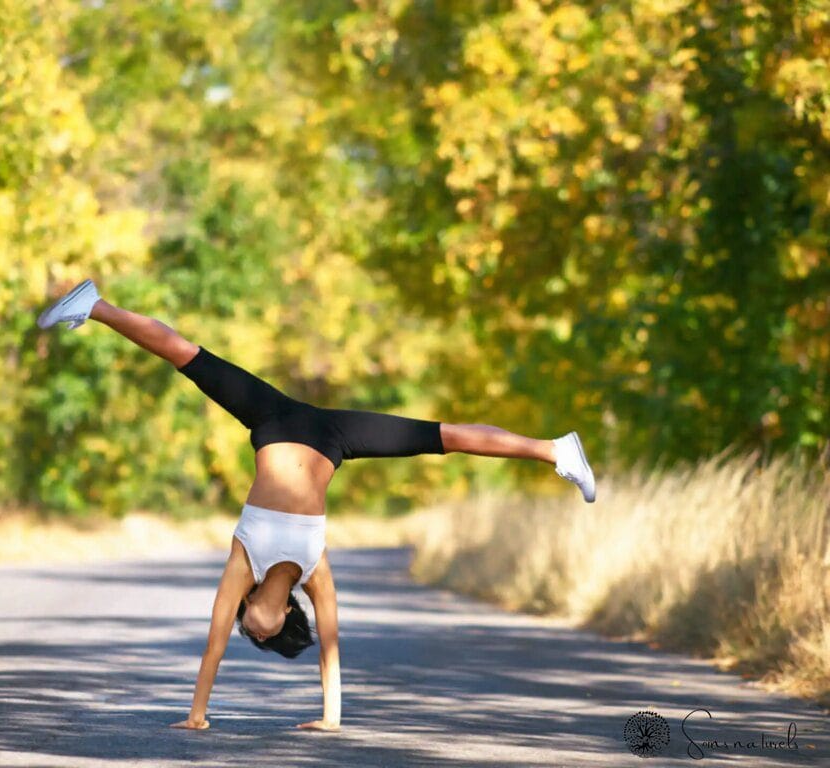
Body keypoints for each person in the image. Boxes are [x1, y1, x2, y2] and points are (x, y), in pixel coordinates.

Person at [36, 279, 596, 732]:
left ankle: (94, 304)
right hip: (333, 436)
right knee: (444, 437)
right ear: (280, 619)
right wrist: (331, 719)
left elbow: (212, 645)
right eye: (261, 635)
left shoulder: (244, 562)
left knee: (187, 355)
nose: (249, 630)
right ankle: (555, 450)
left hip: (273, 418)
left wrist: (197, 714)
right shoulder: (314, 570)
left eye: (247, 630)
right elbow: (330, 649)